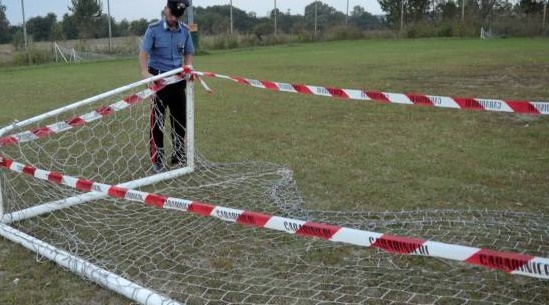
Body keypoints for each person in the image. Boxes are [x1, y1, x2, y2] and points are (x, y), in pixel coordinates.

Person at [139, 0, 194, 173]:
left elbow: (188, 53)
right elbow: (143, 53)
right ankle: (157, 160)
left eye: (174, 17)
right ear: (165, 10)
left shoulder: (184, 30)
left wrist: (188, 68)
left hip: (177, 80)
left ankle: (178, 157)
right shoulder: (153, 29)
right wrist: (145, 73)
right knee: (157, 121)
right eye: (169, 15)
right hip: (159, 79)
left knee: (180, 120)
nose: (171, 19)